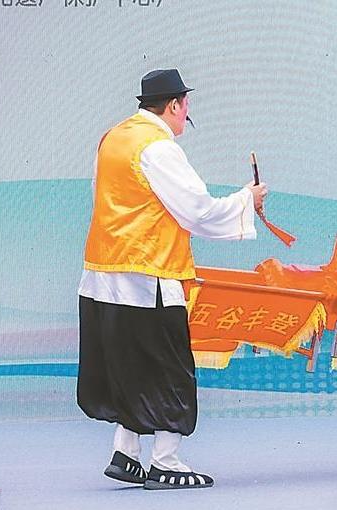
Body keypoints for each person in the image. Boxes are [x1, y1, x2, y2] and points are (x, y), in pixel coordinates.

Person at [77, 69, 268, 488]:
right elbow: (198, 211)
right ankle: (166, 461)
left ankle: (126, 452)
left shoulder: (114, 138)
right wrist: (246, 200)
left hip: (103, 273)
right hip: (150, 275)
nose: (186, 117)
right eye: (185, 108)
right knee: (169, 369)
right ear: (174, 105)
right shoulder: (158, 147)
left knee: (127, 365)